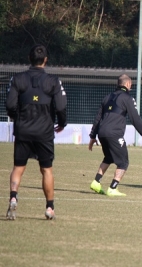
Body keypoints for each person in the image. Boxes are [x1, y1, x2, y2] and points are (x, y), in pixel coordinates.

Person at [5, 44, 67, 220]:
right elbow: (61, 106)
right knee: (46, 170)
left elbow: (10, 104)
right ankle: (49, 208)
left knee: (18, 167)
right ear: (46, 60)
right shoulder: (53, 81)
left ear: (29, 58)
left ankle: (13, 197)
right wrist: (62, 123)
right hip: (44, 132)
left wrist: (17, 117)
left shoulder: (17, 79)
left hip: (23, 130)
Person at [89, 74, 142, 196]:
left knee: (109, 158)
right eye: (131, 85)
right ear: (127, 84)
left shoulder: (107, 97)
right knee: (123, 162)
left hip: (102, 133)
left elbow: (98, 118)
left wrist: (93, 136)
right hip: (114, 134)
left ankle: (96, 182)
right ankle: (113, 188)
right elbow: (135, 119)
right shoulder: (128, 99)